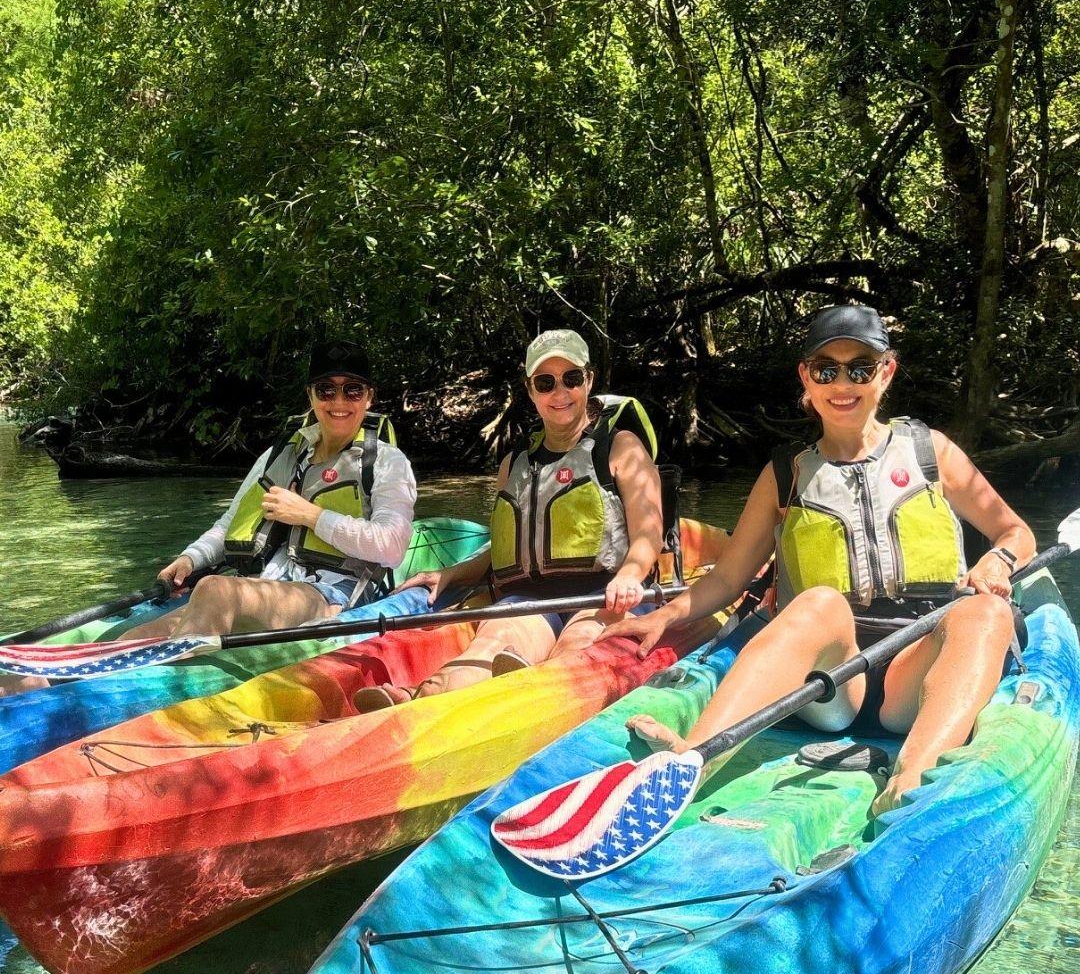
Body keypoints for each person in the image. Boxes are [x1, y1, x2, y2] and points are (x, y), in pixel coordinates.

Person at [604, 304, 1035, 816]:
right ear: (807, 378)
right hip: (831, 681)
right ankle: (694, 758)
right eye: (827, 369)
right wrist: (662, 617)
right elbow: (728, 579)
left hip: (917, 672)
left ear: (886, 373)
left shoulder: (931, 451)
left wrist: (997, 562)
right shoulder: (785, 473)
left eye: (860, 368)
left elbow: (1014, 531)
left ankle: (913, 778)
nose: (843, 383)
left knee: (987, 611)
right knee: (818, 602)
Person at [354, 328, 664, 708]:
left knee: (577, 647)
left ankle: (532, 698)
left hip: (605, 595)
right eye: (545, 382)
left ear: (589, 380)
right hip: (532, 599)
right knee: (492, 644)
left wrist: (631, 573)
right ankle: (423, 702)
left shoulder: (620, 447)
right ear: (531, 390)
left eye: (571, 378)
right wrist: (451, 574)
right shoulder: (514, 464)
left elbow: (650, 533)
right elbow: (507, 547)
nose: (560, 393)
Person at [120, 340, 417, 640]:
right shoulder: (280, 456)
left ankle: (174, 681)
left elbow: (392, 547)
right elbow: (232, 523)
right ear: (310, 396)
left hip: (334, 593)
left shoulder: (387, 462)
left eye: (352, 390)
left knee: (215, 589)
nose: (339, 402)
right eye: (326, 390)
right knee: (145, 633)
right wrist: (191, 559)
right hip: (267, 582)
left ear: (369, 398)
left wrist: (311, 515)